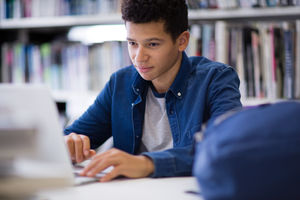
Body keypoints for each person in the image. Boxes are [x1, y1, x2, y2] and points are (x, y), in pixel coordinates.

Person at [64, 0, 242, 182]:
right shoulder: (119, 83)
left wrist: (146, 164)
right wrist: (69, 144)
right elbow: (72, 136)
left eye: (153, 44)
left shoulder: (216, 79)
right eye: (133, 43)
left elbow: (228, 145)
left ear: (182, 41)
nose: (139, 58)